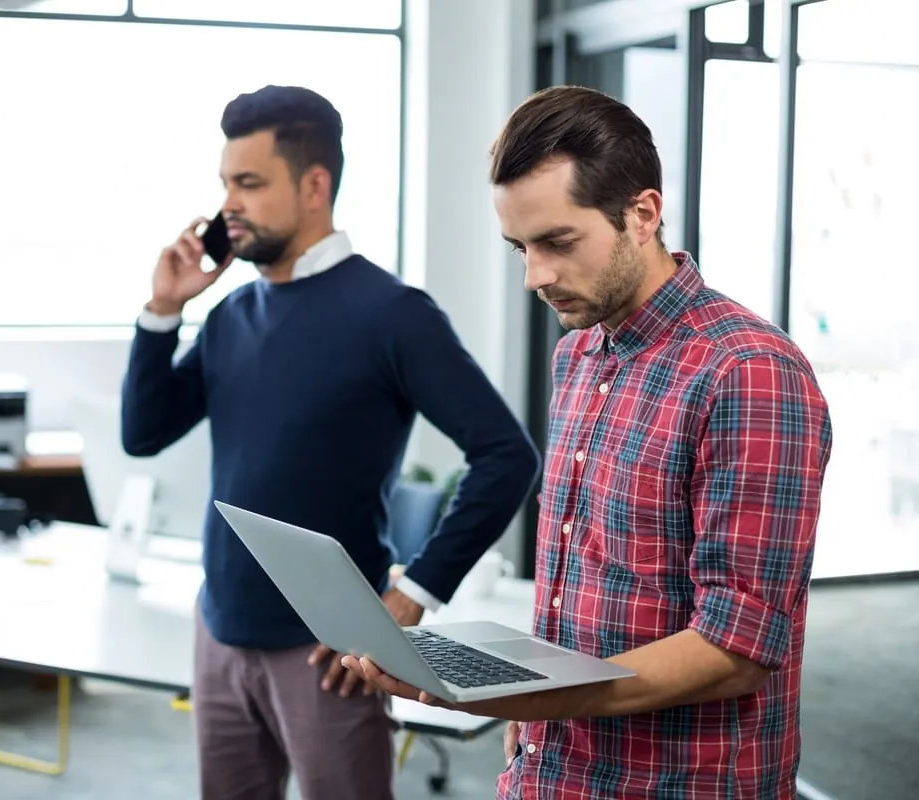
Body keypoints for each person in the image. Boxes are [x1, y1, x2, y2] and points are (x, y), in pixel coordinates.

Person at [344, 85, 833, 800]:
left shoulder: (750, 372)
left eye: (558, 242)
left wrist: (530, 696)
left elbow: (738, 648)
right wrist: (526, 710)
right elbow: (582, 582)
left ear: (643, 214)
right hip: (552, 769)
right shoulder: (578, 354)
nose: (535, 276)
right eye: (520, 247)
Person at [120, 84, 541, 800]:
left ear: (315, 186)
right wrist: (163, 310)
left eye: (249, 184)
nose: (229, 205)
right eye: (226, 183)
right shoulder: (230, 315)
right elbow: (143, 433)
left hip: (328, 653)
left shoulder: (393, 314)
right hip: (219, 630)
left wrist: (411, 595)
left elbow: (508, 456)